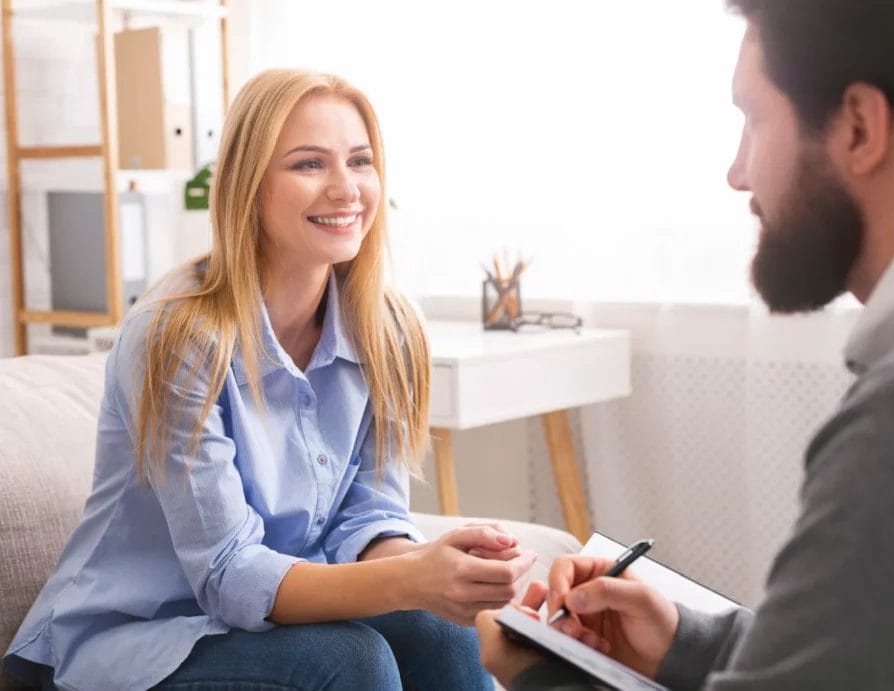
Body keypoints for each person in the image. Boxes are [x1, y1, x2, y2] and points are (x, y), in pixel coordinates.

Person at [476, 0, 894, 688]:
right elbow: (867, 648)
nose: (738, 172)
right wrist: (686, 641)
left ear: (859, 126)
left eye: (754, 119)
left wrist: (540, 671)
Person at [3, 68, 537, 691]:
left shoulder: (388, 329)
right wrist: (410, 580)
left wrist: (433, 565)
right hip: (138, 642)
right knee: (351, 661)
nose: (347, 190)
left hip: (271, 624)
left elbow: (366, 519)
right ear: (248, 186)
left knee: (443, 632)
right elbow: (229, 575)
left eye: (360, 161)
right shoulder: (177, 336)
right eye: (310, 164)